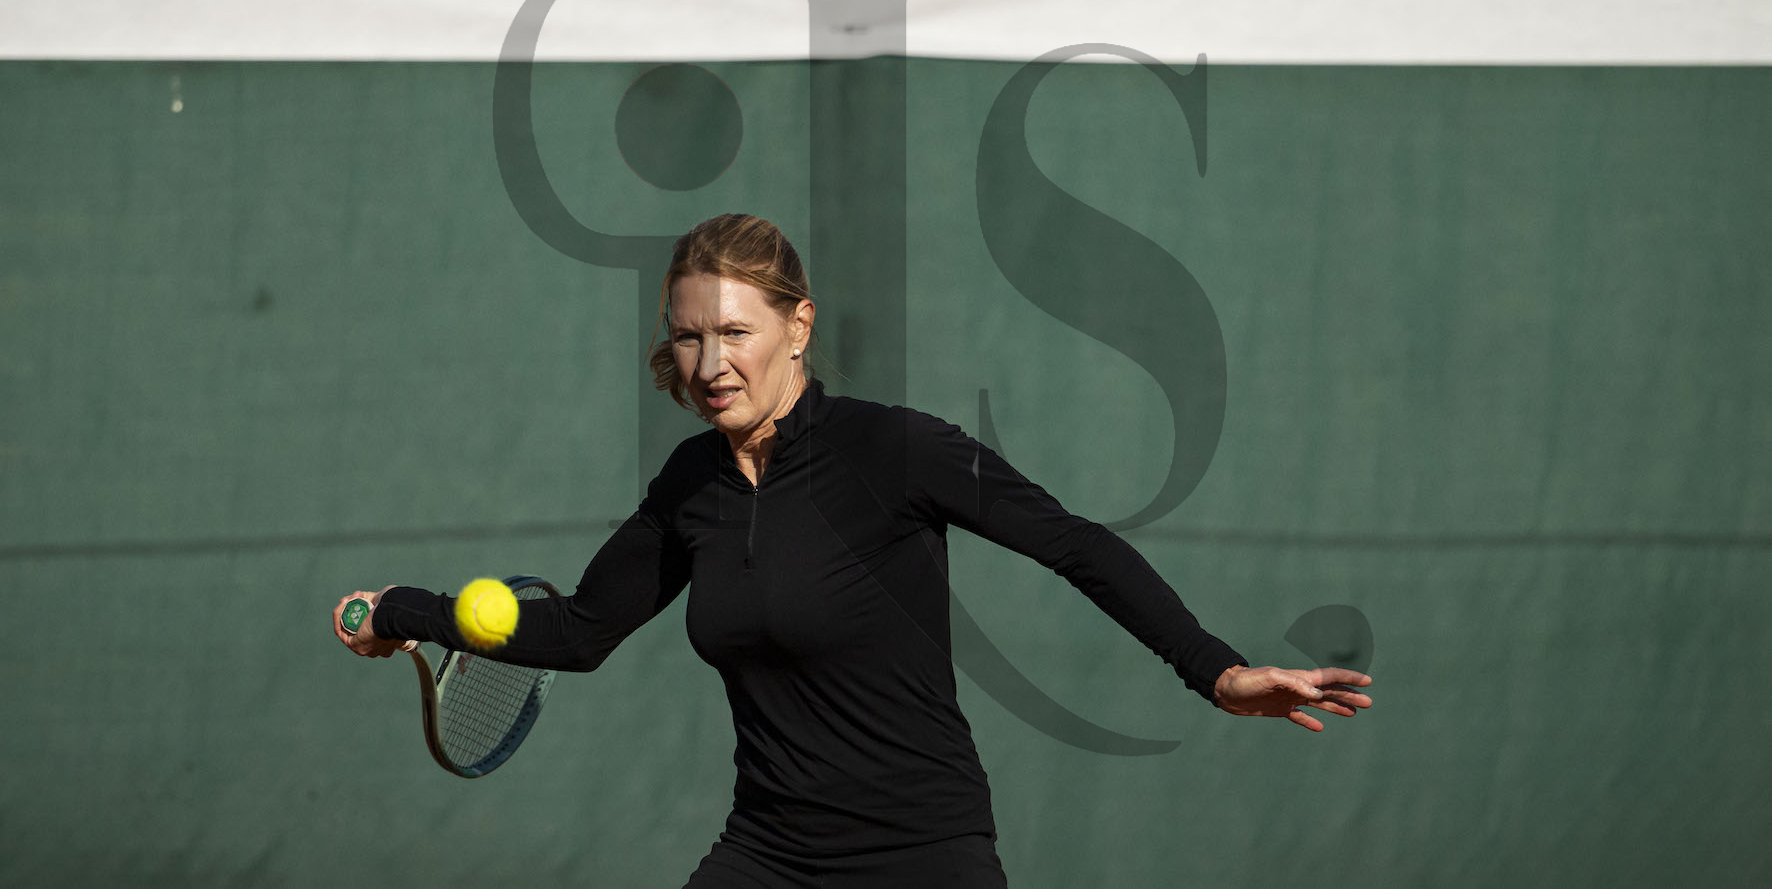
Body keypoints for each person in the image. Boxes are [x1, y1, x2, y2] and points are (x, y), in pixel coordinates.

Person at [334, 213, 1372, 887]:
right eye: (688, 335)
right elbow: (578, 630)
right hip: (768, 853)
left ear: (797, 326)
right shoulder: (688, 492)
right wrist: (403, 610)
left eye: (734, 332)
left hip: (922, 854)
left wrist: (1218, 671)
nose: (708, 362)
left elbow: (1073, 543)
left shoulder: (894, 449)